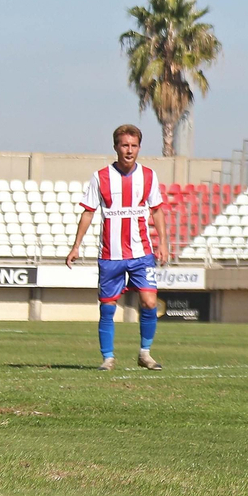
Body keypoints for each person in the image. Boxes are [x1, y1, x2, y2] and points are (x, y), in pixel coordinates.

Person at [65, 124, 169, 372]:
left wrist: (163, 243)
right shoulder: (100, 177)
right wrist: (76, 246)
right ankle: (108, 358)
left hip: (141, 253)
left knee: (150, 302)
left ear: (139, 148)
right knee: (108, 307)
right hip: (110, 255)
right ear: (116, 147)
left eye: (134, 146)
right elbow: (88, 212)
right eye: (124, 145)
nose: (129, 150)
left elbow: (157, 210)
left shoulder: (148, 176)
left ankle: (145, 353)